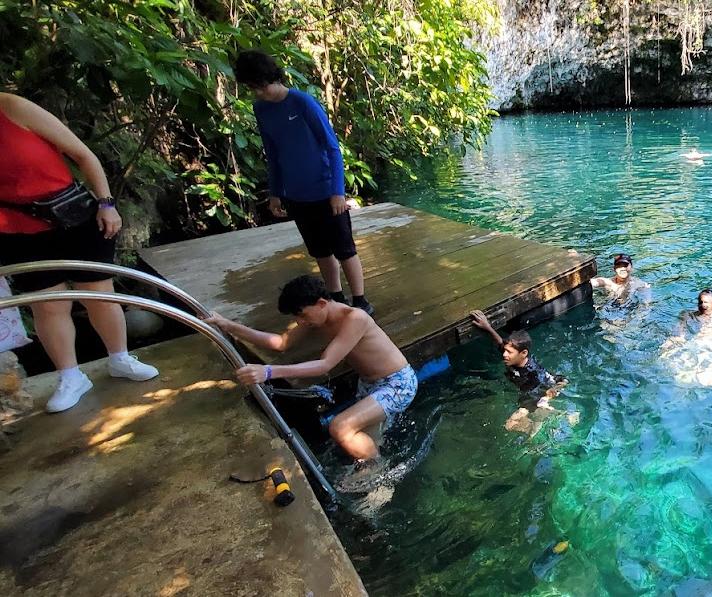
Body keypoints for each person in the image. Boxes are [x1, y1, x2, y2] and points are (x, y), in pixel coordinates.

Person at [0, 93, 159, 413]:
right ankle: (71, 376)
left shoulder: (11, 108)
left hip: (74, 215)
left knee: (99, 293)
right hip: (16, 230)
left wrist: (106, 203)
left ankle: (120, 357)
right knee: (48, 306)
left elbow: (83, 154)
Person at [204, 275, 414, 461]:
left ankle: (378, 477)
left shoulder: (355, 318)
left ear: (322, 303)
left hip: (397, 383)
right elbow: (280, 343)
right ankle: (376, 464)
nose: (299, 321)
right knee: (365, 439)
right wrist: (228, 325)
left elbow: (325, 364)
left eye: (301, 315)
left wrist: (268, 371)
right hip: (369, 384)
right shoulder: (315, 318)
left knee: (341, 427)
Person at [233, 50, 373, 314]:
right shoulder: (260, 109)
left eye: (261, 86)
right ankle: (335, 296)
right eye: (253, 88)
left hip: (325, 189)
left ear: (270, 78)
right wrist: (275, 192)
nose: (259, 92)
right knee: (320, 250)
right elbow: (272, 152)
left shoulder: (302, 103)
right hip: (296, 195)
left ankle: (361, 301)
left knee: (344, 248)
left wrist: (337, 192)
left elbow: (332, 147)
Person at [469, 310, 571, 435]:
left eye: (509, 352)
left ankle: (558, 416)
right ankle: (542, 423)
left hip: (537, 393)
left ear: (523, 353)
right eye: (505, 350)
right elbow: (500, 343)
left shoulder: (531, 374)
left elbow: (539, 393)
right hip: (531, 388)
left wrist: (540, 402)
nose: (504, 355)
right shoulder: (515, 358)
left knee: (510, 425)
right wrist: (487, 327)